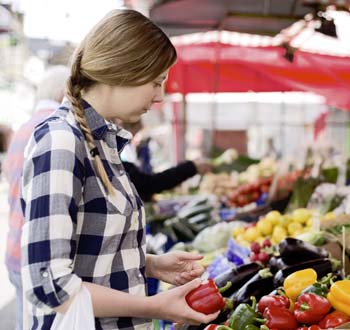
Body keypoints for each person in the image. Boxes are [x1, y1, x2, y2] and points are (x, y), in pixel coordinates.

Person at [20, 9, 219, 330]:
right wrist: (154, 306)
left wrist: (150, 265)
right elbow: (50, 283)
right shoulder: (61, 142)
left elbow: (88, 251)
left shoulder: (104, 142)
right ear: (122, 70)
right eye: (156, 82)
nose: (160, 96)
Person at [3, 65, 70, 330]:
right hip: (39, 258)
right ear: (63, 92)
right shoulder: (55, 128)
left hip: (16, 249)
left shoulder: (23, 128)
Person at [121, 121, 212, 202]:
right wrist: (191, 167)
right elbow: (150, 184)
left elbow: (146, 183)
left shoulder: (120, 158)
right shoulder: (118, 160)